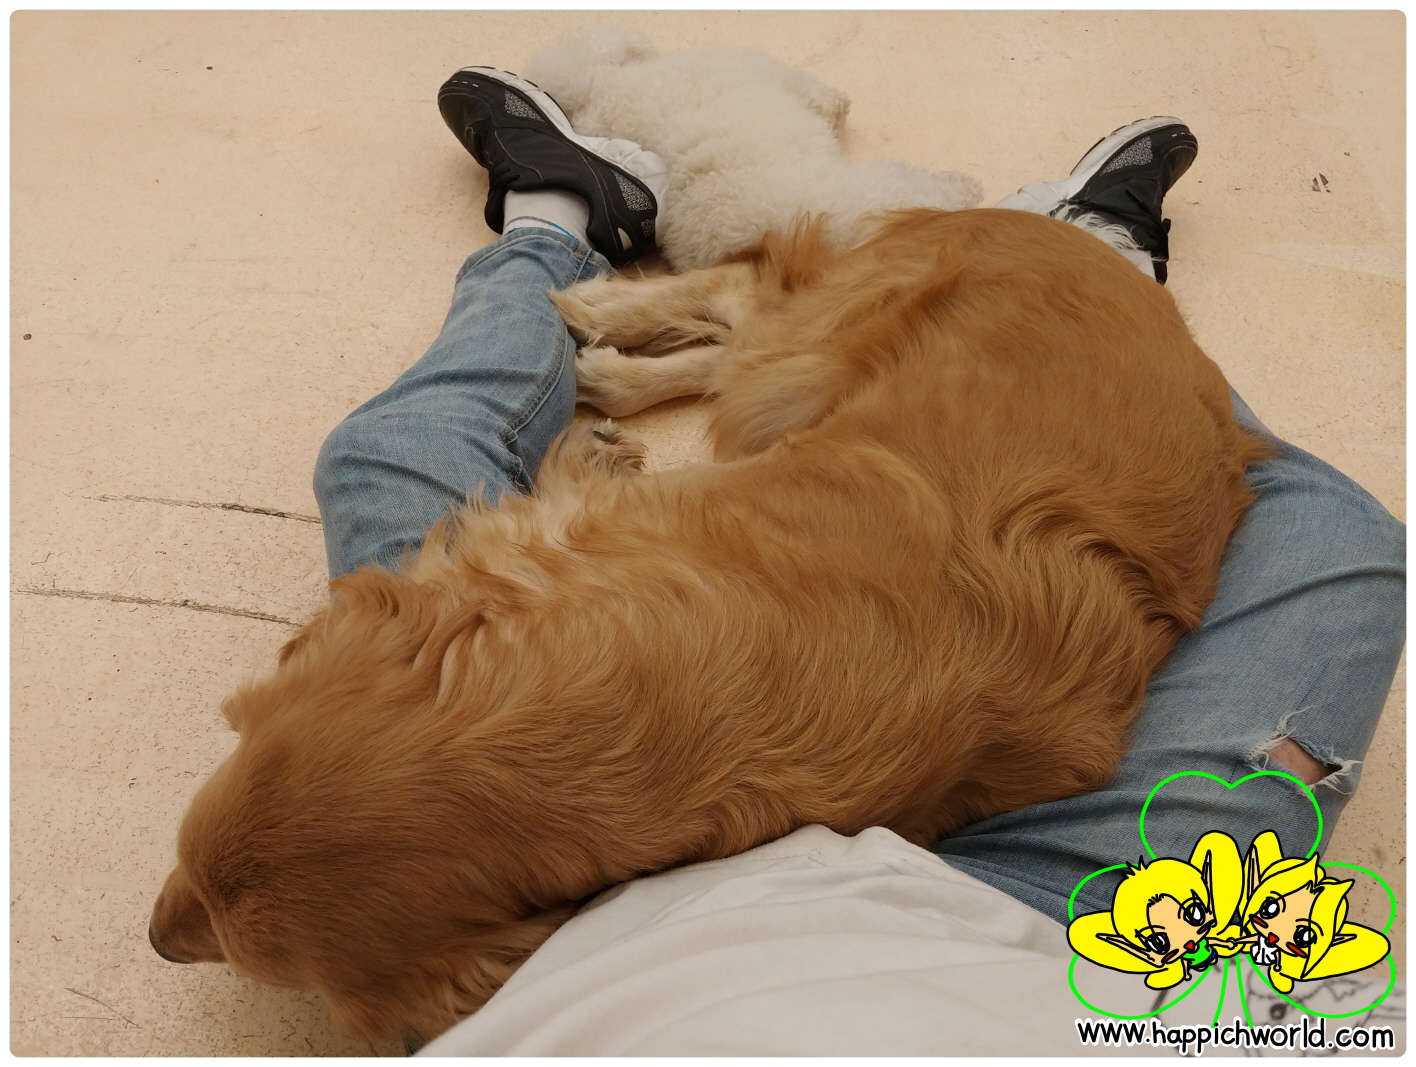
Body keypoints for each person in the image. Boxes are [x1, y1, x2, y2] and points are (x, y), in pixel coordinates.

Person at [310, 68, 1405, 1054]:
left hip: (631, 934)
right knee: (1326, 526)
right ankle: (1090, 252)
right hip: (1042, 931)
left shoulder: (492, 1009)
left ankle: (551, 223)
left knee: (383, 453)